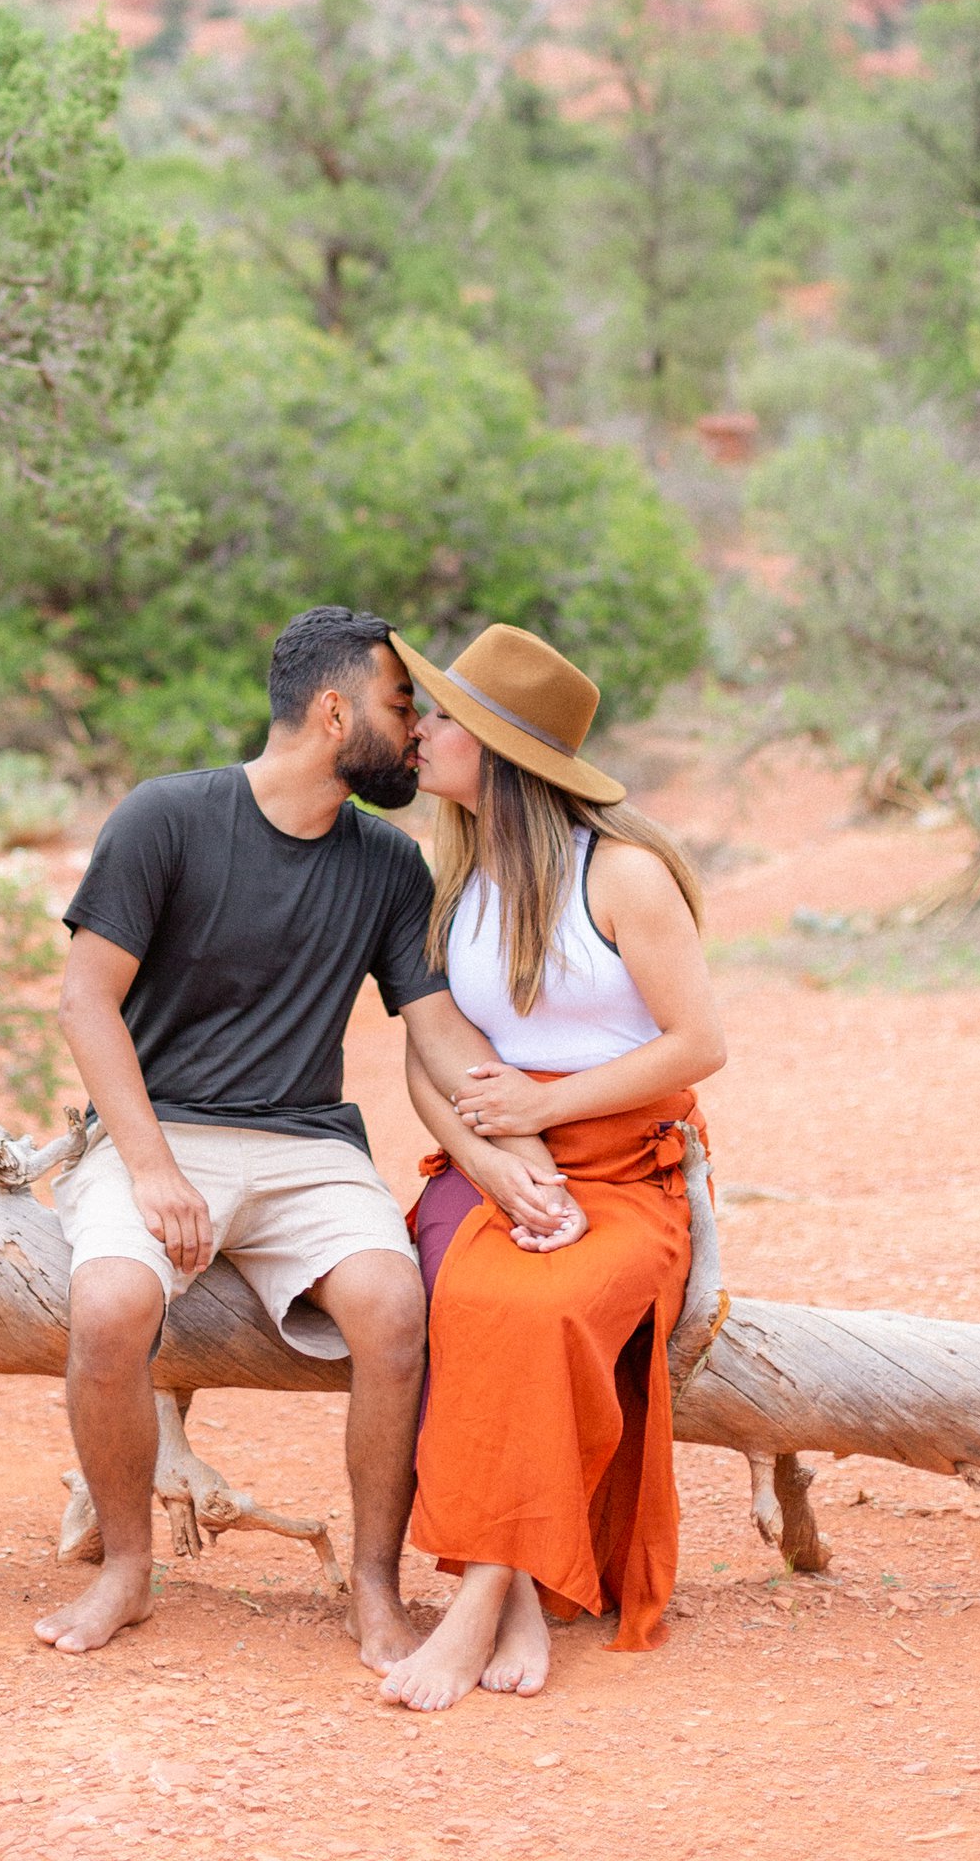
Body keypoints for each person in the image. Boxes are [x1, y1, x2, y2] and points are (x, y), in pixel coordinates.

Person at [34, 606, 582, 1665]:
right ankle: (128, 1570)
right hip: (160, 1132)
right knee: (108, 1308)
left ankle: (373, 1588)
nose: (415, 728)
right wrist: (149, 1170)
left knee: (391, 1309)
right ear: (335, 713)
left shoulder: (388, 867)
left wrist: (529, 1151)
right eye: (398, 703)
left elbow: (437, 1033)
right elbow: (83, 1004)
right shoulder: (167, 818)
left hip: (307, 1146)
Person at [382, 622, 728, 1712]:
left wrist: (547, 1106)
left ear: (499, 750)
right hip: (496, 1157)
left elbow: (698, 1044)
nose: (422, 730)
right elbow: (424, 1054)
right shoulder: (452, 875)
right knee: (469, 1291)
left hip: (627, 1170)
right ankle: (517, 1585)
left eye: (442, 718)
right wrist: (491, 1157)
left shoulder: (622, 875)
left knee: (544, 1312)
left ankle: (481, 1597)